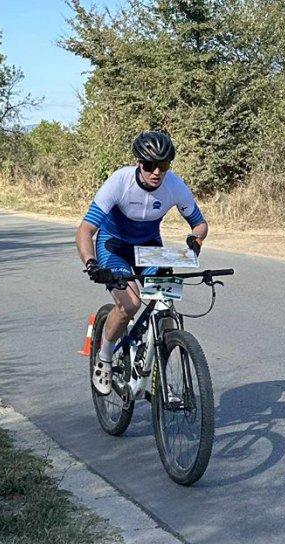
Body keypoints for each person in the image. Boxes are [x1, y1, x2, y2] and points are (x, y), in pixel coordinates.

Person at [76, 131, 208, 395]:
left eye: (164, 165)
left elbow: (200, 225)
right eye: (149, 165)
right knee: (130, 304)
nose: (156, 172)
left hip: (149, 248)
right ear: (139, 163)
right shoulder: (120, 181)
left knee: (165, 308)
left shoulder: (175, 186)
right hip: (115, 246)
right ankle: (104, 357)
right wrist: (92, 264)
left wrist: (196, 240)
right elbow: (85, 230)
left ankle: (159, 371)